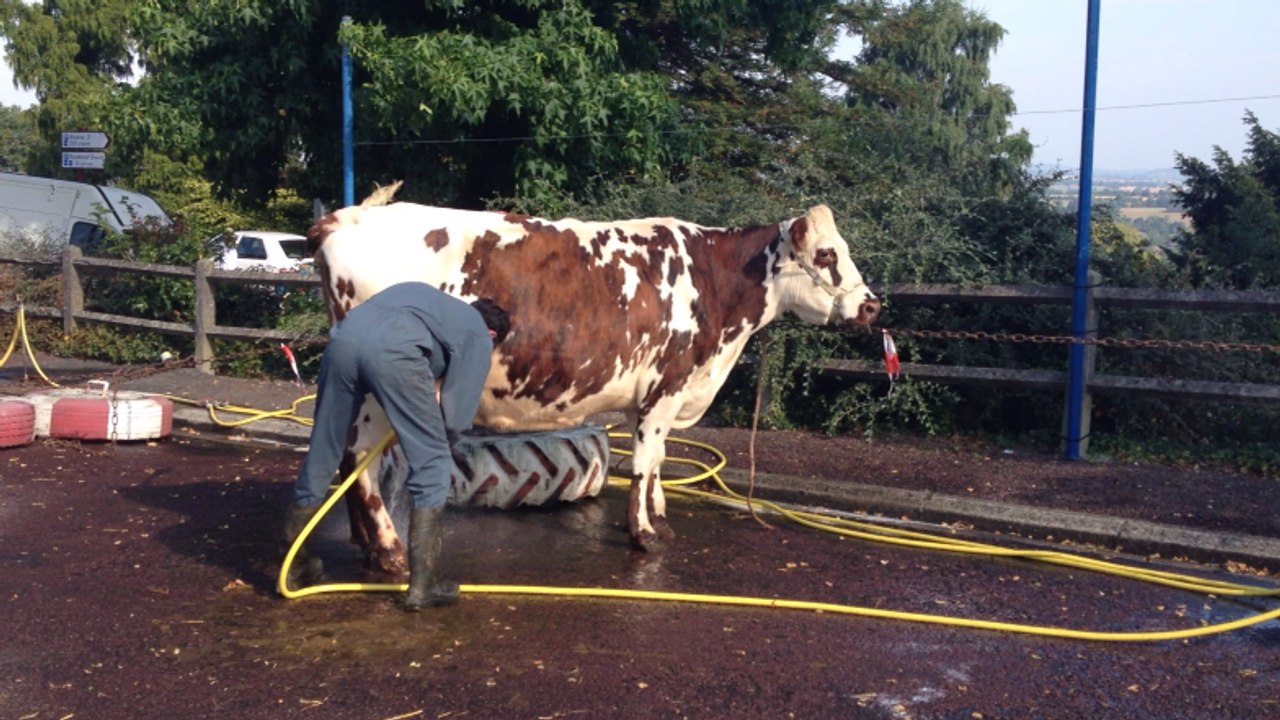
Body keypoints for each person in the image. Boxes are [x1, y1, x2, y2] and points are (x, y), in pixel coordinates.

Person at [282, 281, 510, 611]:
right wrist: (432, 441)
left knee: (325, 445)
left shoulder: (426, 299)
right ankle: (422, 587)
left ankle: (293, 561)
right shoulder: (478, 333)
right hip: (395, 353)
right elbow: (455, 419)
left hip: (342, 342)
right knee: (432, 464)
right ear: (493, 336)